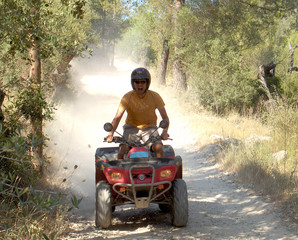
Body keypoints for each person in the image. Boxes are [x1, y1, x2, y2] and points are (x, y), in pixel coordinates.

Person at [106, 67, 170, 159]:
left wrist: (164, 132)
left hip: (150, 128)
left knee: (159, 148)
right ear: (133, 83)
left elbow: (165, 118)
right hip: (131, 128)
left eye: (143, 82)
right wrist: (110, 134)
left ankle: (162, 172)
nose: (140, 85)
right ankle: (120, 172)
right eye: (137, 82)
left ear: (147, 83)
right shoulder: (127, 97)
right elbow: (117, 117)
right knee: (122, 150)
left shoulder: (155, 96)